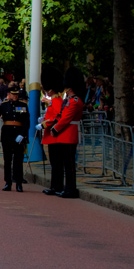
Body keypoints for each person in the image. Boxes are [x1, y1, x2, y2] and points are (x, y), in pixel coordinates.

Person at [40, 67, 85, 199]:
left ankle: (71, 189)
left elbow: (66, 118)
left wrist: (55, 128)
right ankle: (64, 187)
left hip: (69, 134)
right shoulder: (69, 100)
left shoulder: (75, 101)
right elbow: (61, 115)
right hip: (64, 134)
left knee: (69, 165)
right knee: (65, 164)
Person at [0, 82, 30, 191]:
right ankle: (8, 182)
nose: (15, 96)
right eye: (13, 94)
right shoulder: (4, 105)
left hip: (18, 134)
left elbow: (27, 122)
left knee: (18, 160)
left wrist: (22, 134)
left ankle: (18, 182)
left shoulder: (23, 106)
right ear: (9, 94)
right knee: (7, 160)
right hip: (7, 134)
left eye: (17, 94)